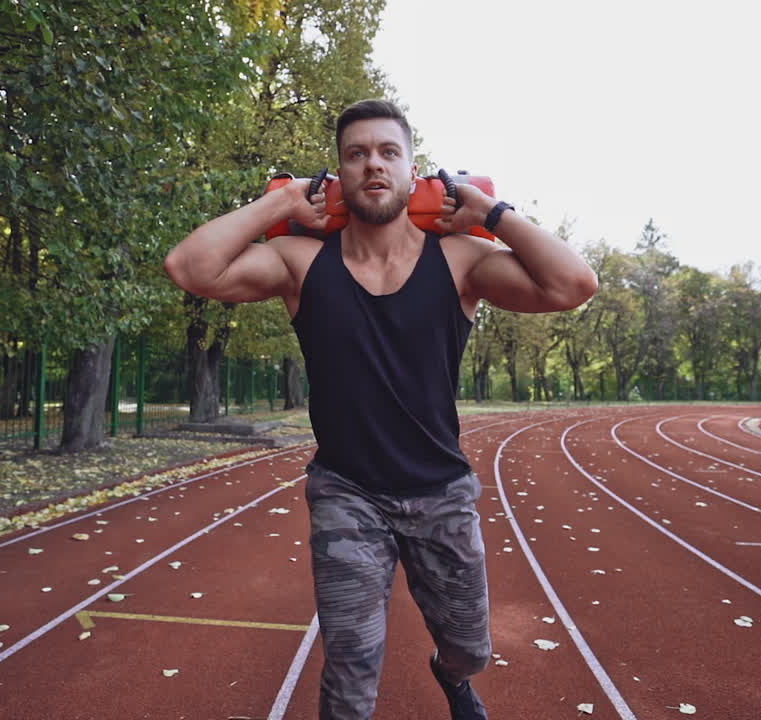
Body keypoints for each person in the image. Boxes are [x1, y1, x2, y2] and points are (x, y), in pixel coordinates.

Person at [164, 99, 598, 720]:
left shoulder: (460, 262)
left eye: (389, 152)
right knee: (351, 663)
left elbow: (574, 286)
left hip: (441, 491)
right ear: (338, 174)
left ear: (413, 171)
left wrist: (491, 214)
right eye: (356, 154)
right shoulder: (301, 263)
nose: (373, 165)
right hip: (348, 493)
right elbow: (189, 267)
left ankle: (451, 677)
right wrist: (282, 204)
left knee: (470, 647)